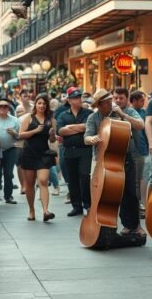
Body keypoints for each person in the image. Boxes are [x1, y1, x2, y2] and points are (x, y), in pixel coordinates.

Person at [84, 89, 143, 236]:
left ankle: (135, 225)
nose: (112, 103)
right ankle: (111, 225)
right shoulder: (93, 118)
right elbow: (86, 137)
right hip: (102, 160)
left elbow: (140, 125)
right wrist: (92, 139)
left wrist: (123, 115)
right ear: (99, 105)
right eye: (108, 102)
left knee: (131, 192)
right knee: (112, 193)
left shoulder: (125, 111)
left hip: (125, 158)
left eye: (112, 100)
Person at [16, 93, 57, 222]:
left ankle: (45, 211)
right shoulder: (28, 117)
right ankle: (32, 210)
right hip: (29, 153)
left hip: (44, 153)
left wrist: (51, 134)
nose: (42, 106)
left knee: (43, 180)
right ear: (36, 104)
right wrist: (35, 131)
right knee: (30, 184)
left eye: (44, 103)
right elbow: (20, 135)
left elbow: (53, 139)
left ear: (47, 105)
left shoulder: (51, 119)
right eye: (39, 103)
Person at [56, 88, 93, 217]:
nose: (78, 99)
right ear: (69, 100)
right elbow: (60, 131)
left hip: (85, 150)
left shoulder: (88, 113)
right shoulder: (63, 115)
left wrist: (70, 127)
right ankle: (76, 206)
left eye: (79, 97)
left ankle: (87, 204)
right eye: (75, 98)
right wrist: (79, 129)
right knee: (72, 179)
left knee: (84, 176)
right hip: (69, 151)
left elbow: (88, 127)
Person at [0, 97, 20, 205]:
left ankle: (8, 196)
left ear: (9, 108)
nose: (3, 108)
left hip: (10, 149)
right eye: (1, 106)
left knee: (9, 174)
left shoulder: (14, 120)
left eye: (5, 106)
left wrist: (14, 133)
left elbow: (20, 136)